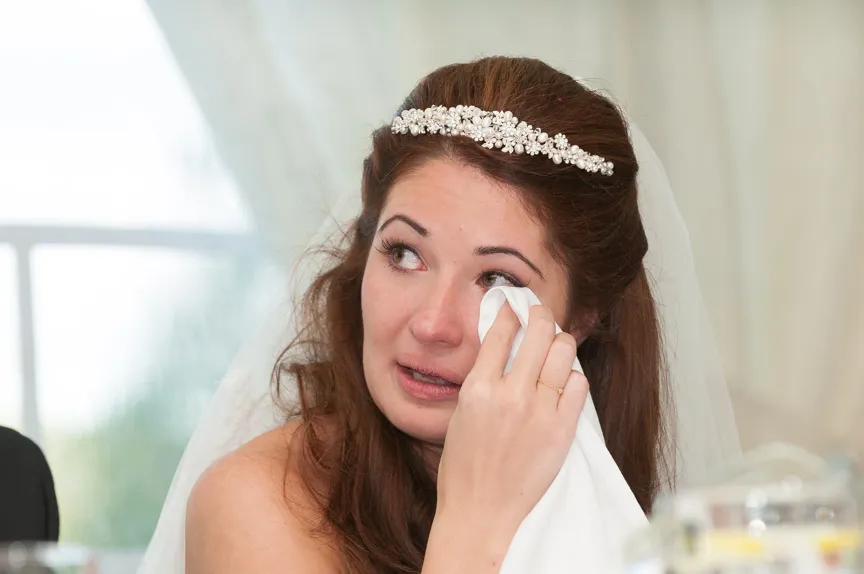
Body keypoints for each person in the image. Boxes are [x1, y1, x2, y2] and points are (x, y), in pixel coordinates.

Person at [141, 56, 740, 574]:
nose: (431, 324)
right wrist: (476, 520)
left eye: (498, 279)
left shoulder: (627, 510)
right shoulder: (255, 502)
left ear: (580, 318)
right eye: (404, 253)